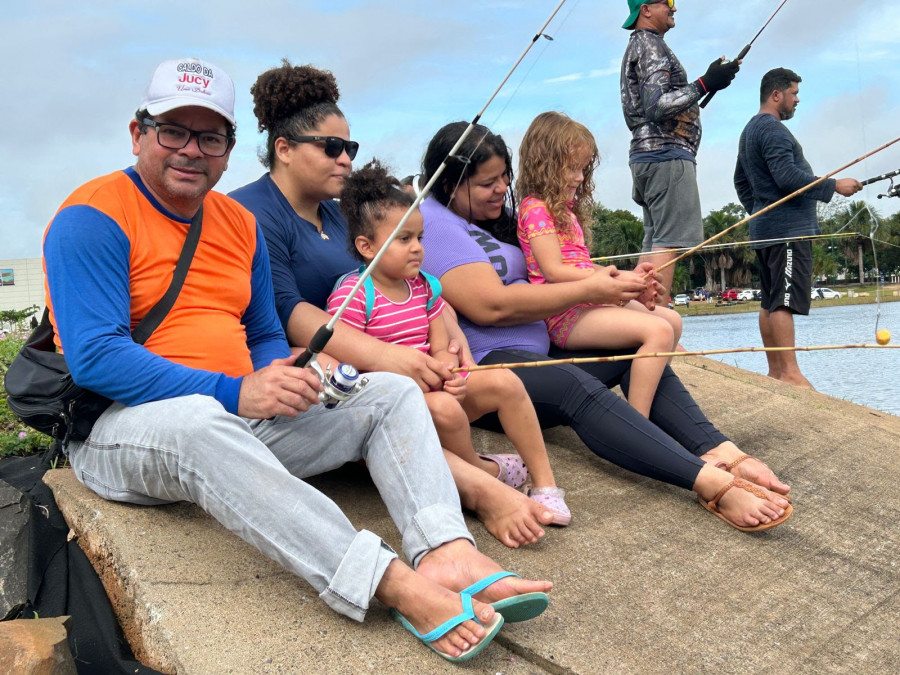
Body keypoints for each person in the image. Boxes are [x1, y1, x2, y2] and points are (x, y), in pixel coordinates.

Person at [42, 57, 551, 663]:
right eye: (173, 131)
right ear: (138, 133)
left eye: (210, 137)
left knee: (389, 392)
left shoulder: (240, 224)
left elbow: (263, 330)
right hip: (124, 428)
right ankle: (388, 582)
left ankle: (447, 552)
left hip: (238, 416)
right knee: (197, 422)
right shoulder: (92, 217)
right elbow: (97, 358)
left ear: (229, 149)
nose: (191, 151)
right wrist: (236, 392)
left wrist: (282, 377)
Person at [229, 60, 557, 548]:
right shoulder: (251, 211)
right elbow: (286, 309)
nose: (345, 159)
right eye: (332, 147)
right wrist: (389, 358)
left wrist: (450, 335)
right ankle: (480, 485)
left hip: (374, 355)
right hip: (314, 363)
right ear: (284, 149)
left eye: (350, 148)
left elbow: (405, 279)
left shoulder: (339, 216)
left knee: (495, 385)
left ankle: (494, 473)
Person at [419, 120, 793, 533]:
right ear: (449, 184)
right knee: (574, 387)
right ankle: (710, 482)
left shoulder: (498, 216)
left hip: (541, 344)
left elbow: (560, 267)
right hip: (489, 363)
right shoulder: (433, 223)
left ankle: (717, 448)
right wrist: (590, 289)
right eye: (487, 183)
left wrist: (622, 286)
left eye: (504, 177)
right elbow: (490, 307)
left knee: (636, 347)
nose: (501, 189)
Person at [328, 160, 570, 524]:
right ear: (366, 246)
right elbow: (346, 359)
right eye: (403, 239)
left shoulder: (424, 287)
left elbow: (440, 346)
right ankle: (482, 474)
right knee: (445, 409)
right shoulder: (354, 294)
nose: (417, 248)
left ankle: (546, 485)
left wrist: (449, 369)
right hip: (399, 403)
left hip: (439, 388)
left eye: (419, 238)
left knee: (506, 382)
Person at [516, 111, 679, 418]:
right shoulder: (535, 209)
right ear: (545, 165)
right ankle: (639, 423)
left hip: (588, 303)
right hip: (564, 314)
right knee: (658, 331)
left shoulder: (565, 211)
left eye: (582, 169)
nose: (580, 177)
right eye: (571, 169)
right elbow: (553, 271)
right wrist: (607, 282)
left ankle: (652, 400)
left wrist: (628, 277)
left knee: (673, 321)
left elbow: (581, 265)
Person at [734, 67, 862, 388]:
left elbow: (740, 181)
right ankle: (790, 374)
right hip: (787, 233)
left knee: (770, 301)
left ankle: (776, 372)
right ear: (776, 95)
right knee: (783, 301)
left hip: (766, 231)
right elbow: (787, 176)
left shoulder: (750, 130)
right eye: (794, 93)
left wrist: (759, 211)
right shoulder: (774, 130)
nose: (797, 100)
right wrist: (834, 185)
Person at [620, 0, 740, 301]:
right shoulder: (650, 45)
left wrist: (709, 83)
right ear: (646, 9)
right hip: (667, 157)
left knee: (655, 241)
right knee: (668, 243)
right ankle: (656, 317)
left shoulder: (642, 44)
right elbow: (657, 105)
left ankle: (641, 319)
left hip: (651, 158)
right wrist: (704, 83)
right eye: (668, 2)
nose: (674, 8)